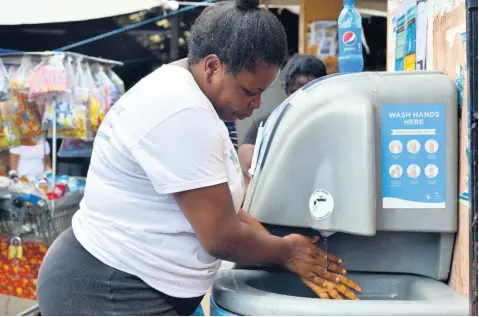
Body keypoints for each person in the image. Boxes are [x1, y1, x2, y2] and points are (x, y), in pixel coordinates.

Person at [37, 1, 359, 315]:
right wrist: (285, 251)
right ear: (213, 67)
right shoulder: (182, 110)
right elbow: (220, 236)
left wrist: (283, 246)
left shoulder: (192, 94)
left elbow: (225, 208)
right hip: (105, 290)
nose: (257, 104)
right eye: (250, 92)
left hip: (131, 286)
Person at [238, 54, 327, 189]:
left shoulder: (329, 125)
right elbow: (247, 161)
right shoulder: (267, 125)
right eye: (294, 92)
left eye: (309, 91)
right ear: (285, 90)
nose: (301, 98)